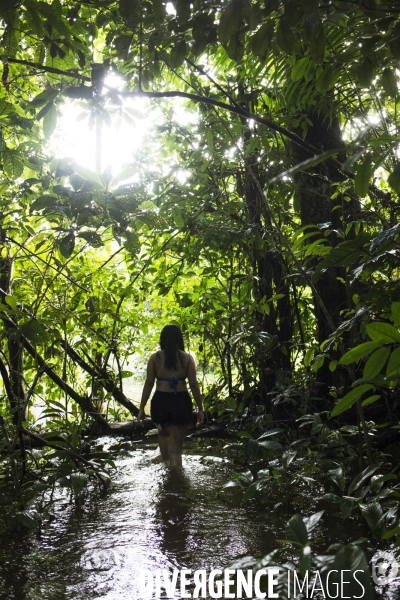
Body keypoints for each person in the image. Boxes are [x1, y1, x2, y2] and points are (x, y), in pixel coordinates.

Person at [137, 324, 204, 467]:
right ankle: (176, 481)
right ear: (179, 339)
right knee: (176, 449)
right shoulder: (187, 358)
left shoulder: (155, 358)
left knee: (163, 434)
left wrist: (141, 408)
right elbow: (193, 384)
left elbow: (149, 383)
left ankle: (167, 476)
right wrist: (200, 408)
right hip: (180, 402)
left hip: (160, 402)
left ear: (162, 340)